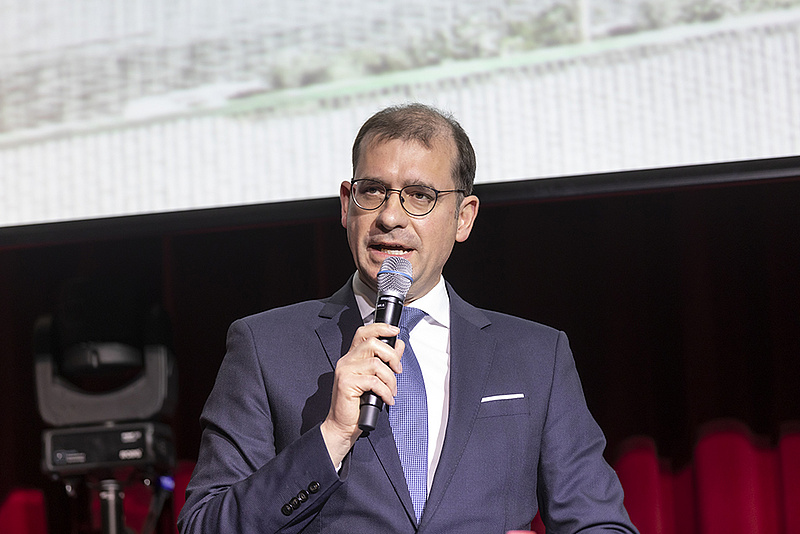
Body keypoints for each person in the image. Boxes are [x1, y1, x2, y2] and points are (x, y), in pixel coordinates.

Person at [178, 103, 638, 533]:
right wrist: (332, 436)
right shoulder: (264, 346)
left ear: (463, 217)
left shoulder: (537, 355)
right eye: (373, 191)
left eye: (420, 196)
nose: (390, 217)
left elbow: (600, 523)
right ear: (346, 204)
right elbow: (203, 524)